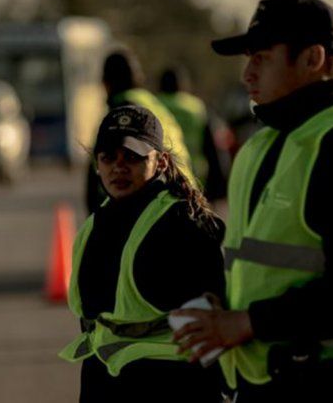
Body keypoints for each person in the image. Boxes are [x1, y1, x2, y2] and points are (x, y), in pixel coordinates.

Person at [172, 0, 333, 403]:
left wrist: (247, 321)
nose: (247, 74)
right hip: (263, 383)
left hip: (329, 385)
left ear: (313, 59)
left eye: (261, 58)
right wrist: (226, 302)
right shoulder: (262, 146)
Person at [61, 105, 226, 402]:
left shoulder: (184, 223)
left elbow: (214, 315)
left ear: (161, 162)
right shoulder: (94, 225)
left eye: (133, 157)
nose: (119, 167)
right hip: (105, 375)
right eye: (108, 157)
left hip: (168, 380)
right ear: (97, 164)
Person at [85, 49, 195, 214]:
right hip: (185, 191)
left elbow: (99, 168)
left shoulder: (122, 112)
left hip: (155, 198)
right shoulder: (153, 103)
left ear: (106, 83)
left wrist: (95, 212)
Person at [157, 66, 228, 200]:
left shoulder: (156, 105)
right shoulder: (195, 107)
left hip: (164, 171)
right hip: (195, 174)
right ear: (183, 84)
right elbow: (211, 146)